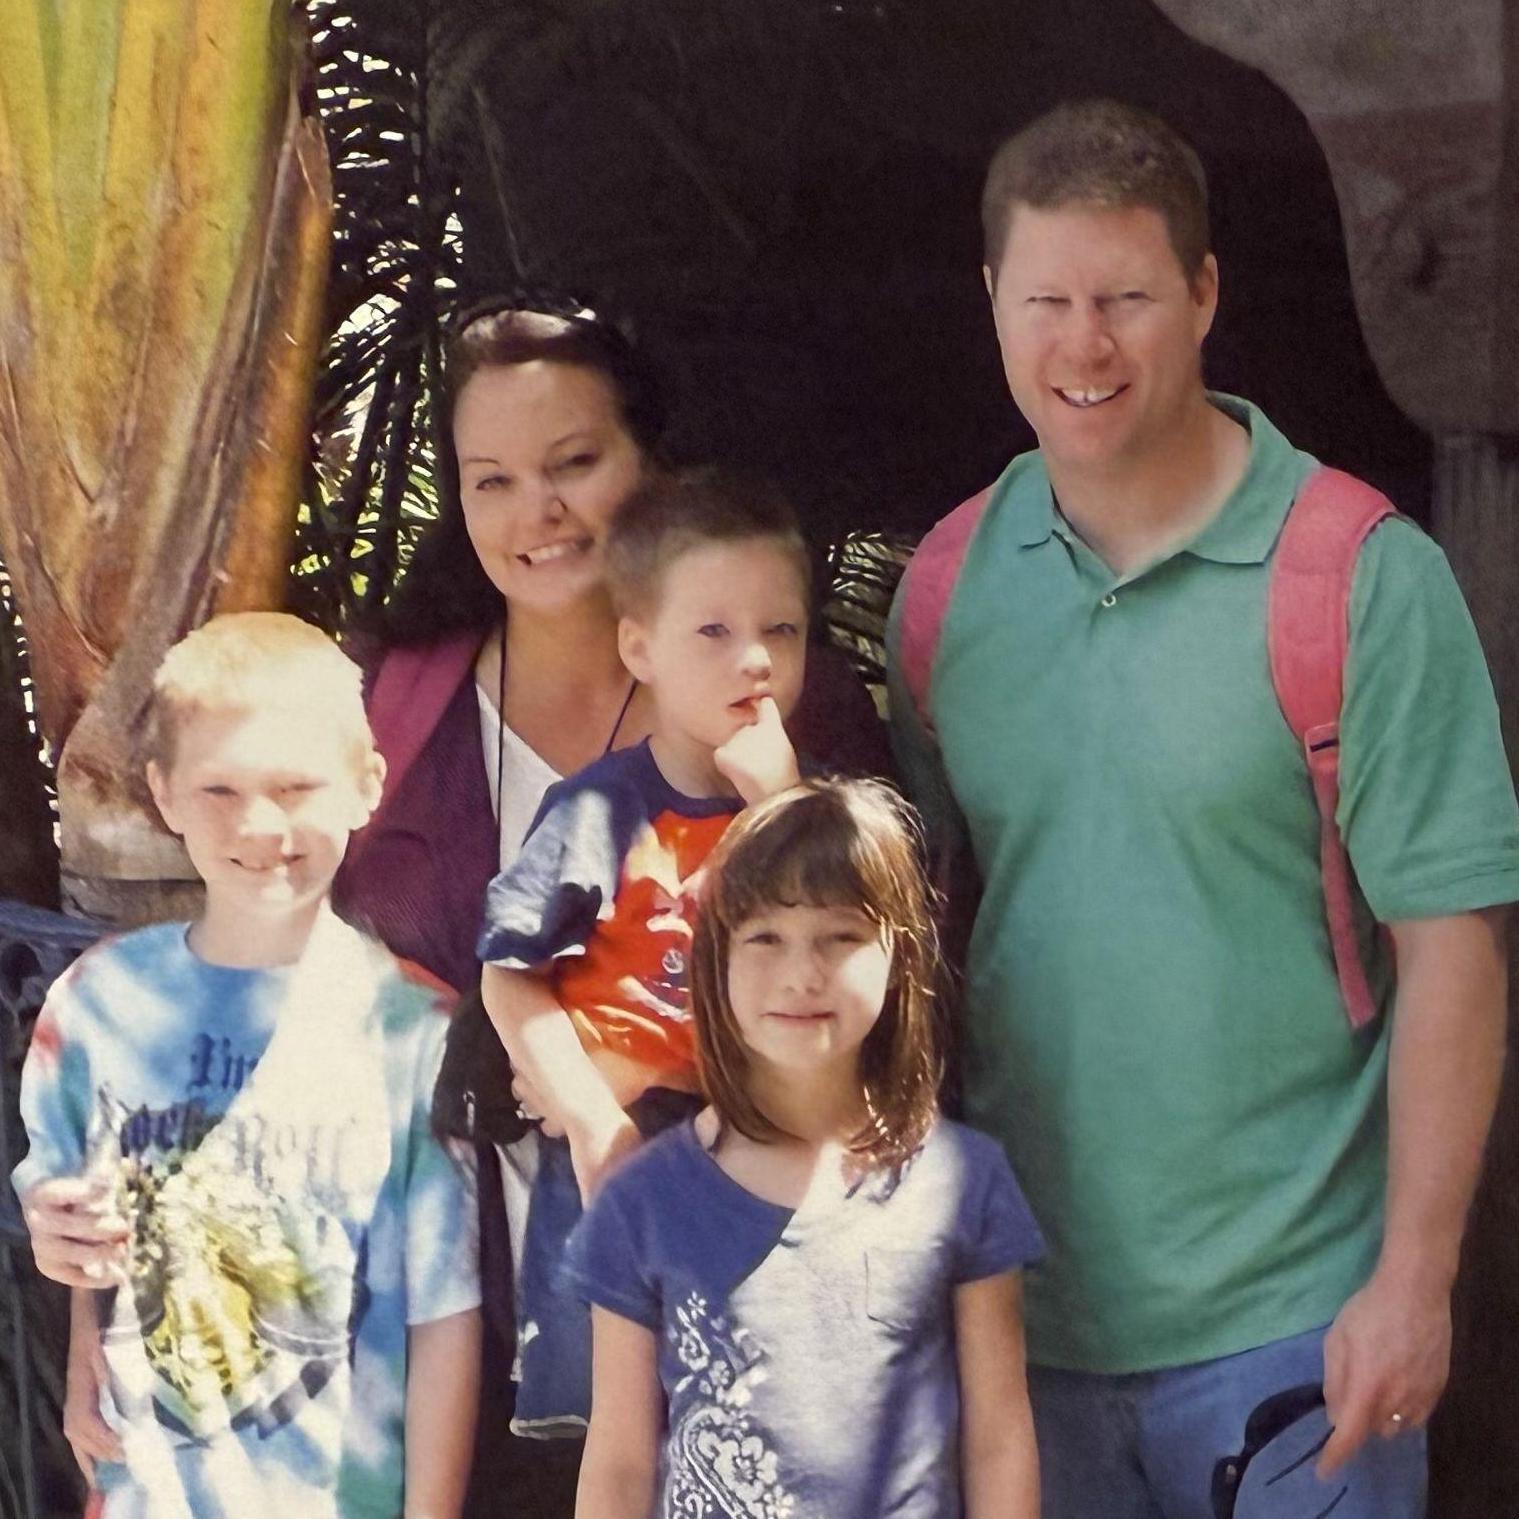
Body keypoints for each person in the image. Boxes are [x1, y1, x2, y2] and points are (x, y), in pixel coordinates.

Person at [889, 99, 1519, 1519]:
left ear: (1204, 293)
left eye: (1123, 297)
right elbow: (911, 939)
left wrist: (1412, 1278)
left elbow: (1453, 950)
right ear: (991, 299)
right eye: (1044, 298)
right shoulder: (943, 589)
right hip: (1020, 1325)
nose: (1083, 344)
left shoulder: (1356, 574)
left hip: (1299, 1321)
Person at [330, 299, 889, 1515]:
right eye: (493, 481)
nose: (537, 513)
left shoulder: (782, 702)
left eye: (574, 464)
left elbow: (884, 989)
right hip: (451, 1320)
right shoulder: (392, 699)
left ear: (656, 467)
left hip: (736, 1292)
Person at [15, 613, 481, 1519]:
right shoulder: (98, 1004)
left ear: (364, 784)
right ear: (164, 792)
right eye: (219, 788)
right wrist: (76, 1319)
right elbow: (85, 1230)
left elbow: (446, 1315)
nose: (260, 823)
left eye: (295, 784)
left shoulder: (415, 1029)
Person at [569, 777, 1044, 1519]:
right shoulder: (638, 1203)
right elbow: (621, 1463)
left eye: (840, 936)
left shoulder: (964, 1182)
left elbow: (998, 1437)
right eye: (764, 937)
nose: (801, 973)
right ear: (714, 958)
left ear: (899, 954)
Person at [478, 467, 813, 1436]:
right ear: (640, 646)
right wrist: (588, 1117)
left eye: (779, 631)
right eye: (712, 631)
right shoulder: (601, 809)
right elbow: (509, 972)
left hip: (763, 1159)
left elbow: (859, 978)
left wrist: (782, 809)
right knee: (626, 1450)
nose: (753, 659)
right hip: (622, 1162)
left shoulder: (816, 814)